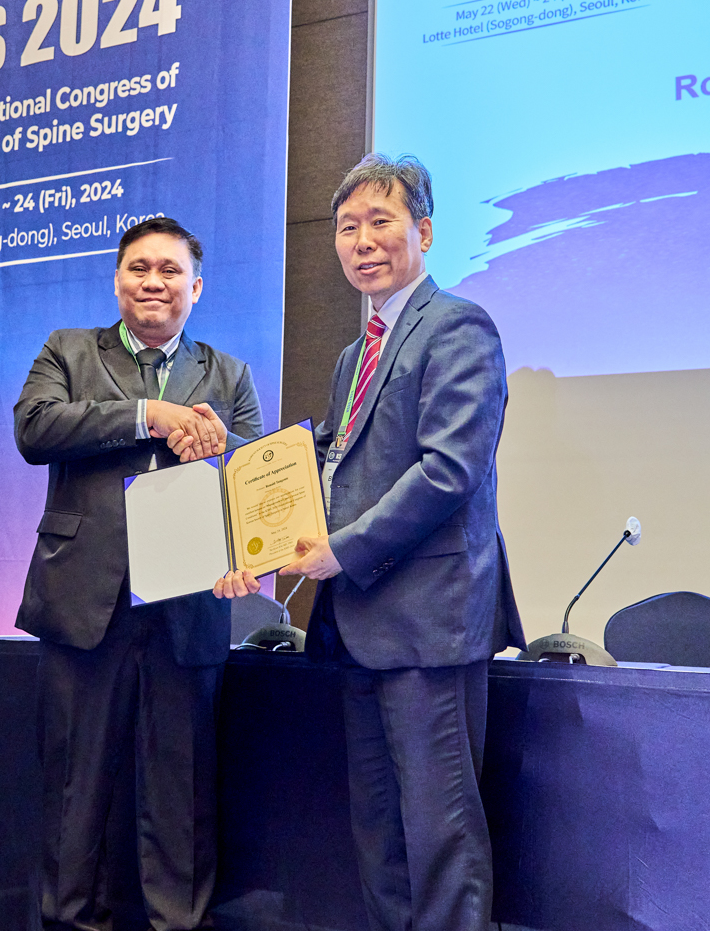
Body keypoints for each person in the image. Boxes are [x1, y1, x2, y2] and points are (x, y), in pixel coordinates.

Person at [215, 154, 525, 931]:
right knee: (378, 831)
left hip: (427, 625)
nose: (362, 241)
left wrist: (341, 550)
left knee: (439, 833)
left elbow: (448, 471)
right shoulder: (356, 355)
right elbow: (321, 470)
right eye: (347, 227)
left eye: (379, 221)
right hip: (358, 624)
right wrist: (245, 531)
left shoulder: (457, 326)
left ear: (423, 231)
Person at [16, 216, 263, 931]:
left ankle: (177, 924)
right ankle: (70, 922)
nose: (154, 282)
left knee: (182, 791)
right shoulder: (67, 350)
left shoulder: (228, 373)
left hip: (187, 605)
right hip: (83, 598)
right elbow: (35, 428)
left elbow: (253, 472)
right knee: (75, 785)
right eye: (139, 268)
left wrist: (218, 442)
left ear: (196, 287)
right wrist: (148, 415)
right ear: (118, 279)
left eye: (170, 271)